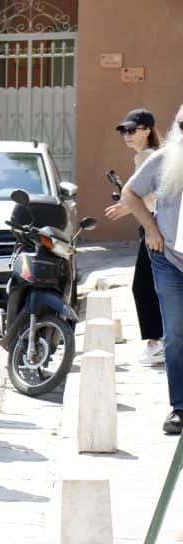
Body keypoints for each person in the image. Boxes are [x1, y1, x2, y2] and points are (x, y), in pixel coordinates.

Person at [120, 103, 183, 436]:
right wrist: (151, 228)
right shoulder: (164, 159)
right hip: (169, 259)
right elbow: (130, 193)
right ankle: (180, 407)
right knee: (175, 334)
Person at [105, 107, 164, 366]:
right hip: (154, 224)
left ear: (147, 130)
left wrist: (126, 207)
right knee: (155, 284)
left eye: (132, 130)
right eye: (123, 131)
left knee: (144, 285)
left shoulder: (148, 157)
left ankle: (157, 342)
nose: (127, 135)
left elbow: (150, 195)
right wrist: (126, 205)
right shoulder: (145, 156)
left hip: (155, 226)